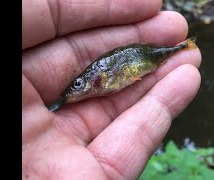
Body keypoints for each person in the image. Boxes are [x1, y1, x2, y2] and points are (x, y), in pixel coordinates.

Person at [22, 0, 202, 179]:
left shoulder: (102, 80)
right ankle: (184, 46)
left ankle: (184, 46)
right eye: (77, 84)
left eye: (78, 84)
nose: (76, 89)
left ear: (97, 80)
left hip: (145, 58)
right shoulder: (98, 83)